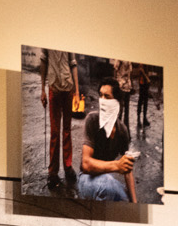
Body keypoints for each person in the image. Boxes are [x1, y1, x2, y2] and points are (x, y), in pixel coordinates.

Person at [77, 83, 136, 202]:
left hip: (104, 177)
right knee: (109, 186)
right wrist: (117, 165)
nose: (102, 100)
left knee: (123, 197)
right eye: (100, 95)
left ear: (117, 102)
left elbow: (127, 170)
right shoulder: (92, 120)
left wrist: (135, 203)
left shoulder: (122, 130)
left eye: (107, 96)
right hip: (87, 178)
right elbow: (86, 164)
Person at [38, 48, 80, 194]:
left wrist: (77, 92)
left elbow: (73, 64)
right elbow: (43, 61)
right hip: (54, 88)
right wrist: (42, 89)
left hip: (68, 87)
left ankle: (68, 167)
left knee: (67, 130)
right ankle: (53, 173)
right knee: (55, 132)